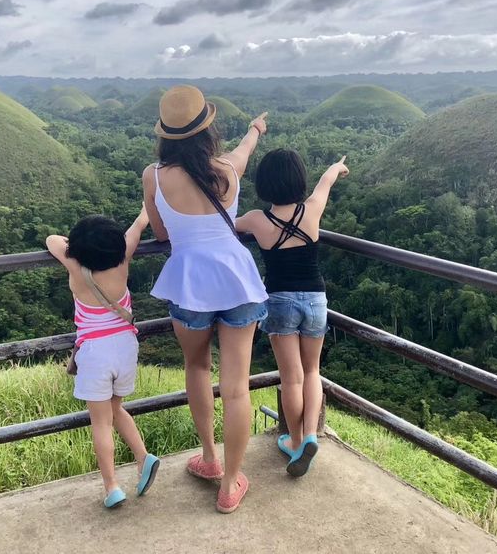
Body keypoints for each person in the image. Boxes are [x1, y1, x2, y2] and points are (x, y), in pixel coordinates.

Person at [142, 85, 268, 514]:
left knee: (196, 366)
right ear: (207, 128)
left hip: (190, 282)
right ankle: (232, 484)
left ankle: (210, 460)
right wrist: (255, 128)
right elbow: (244, 151)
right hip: (237, 281)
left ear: (165, 135)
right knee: (236, 388)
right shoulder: (228, 172)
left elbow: (160, 234)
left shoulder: (154, 176)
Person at [236, 149, 349, 476]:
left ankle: (296, 440)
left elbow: (226, 224)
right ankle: (311, 435)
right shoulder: (311, 210)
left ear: (264, 184)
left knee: (292, 377)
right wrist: (336, 167)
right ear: (299, 179)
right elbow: (325, 183)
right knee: (312, 371)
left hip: (280, 301)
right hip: (316, 300)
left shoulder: (258, 219)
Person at [46, 207, 160, 509]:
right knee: (115, 408)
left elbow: (52, 240)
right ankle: (142, 457)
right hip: (125, 345)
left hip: (95, 352)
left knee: (100, 422)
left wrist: (76, 248)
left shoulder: (76, 268)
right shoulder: (122, 260)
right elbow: (138, 225)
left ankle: (111, 486)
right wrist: (145, 211)